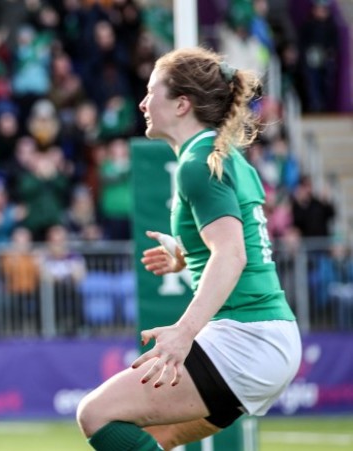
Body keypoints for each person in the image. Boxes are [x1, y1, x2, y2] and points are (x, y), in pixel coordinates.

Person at [76, 47, 302, 450]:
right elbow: (237, 241)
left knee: (96, 414)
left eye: (151, 92)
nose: (143, 103)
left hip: (246, 337)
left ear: (182, 104)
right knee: (154, 440)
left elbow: (233, 254)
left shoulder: (198, 164)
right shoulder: (220, 157)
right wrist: (186, 254)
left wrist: (183, 333)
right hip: (267, 336)